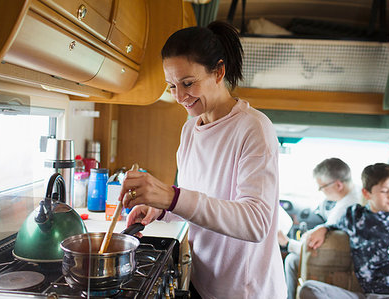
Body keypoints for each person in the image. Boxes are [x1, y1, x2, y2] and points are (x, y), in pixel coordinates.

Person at [118, 21, 287, 299]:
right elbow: (199, 203)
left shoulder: (254, 128)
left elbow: (255, 223)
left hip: (244, 291)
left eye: (188, 83)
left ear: (219, 72)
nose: (180, 97)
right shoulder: (190, 130)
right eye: (171, 86)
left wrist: (171, 197)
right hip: (203, 279)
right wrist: (160, 210)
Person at [300, 163, 389, 298]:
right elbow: (334, 224)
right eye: (385, 191)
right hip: (371, 295)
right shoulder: (354, 216)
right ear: (366, 193)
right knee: (309, 289)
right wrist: (323, 228)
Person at [278, 157, 361, 299]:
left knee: (292, 260)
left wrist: (287, 243)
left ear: (338, 185)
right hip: (350, 258)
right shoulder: (358, 193)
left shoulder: (344, 209)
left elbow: (316, 250)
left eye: (322, 187)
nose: (321, 191)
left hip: (343, 262)